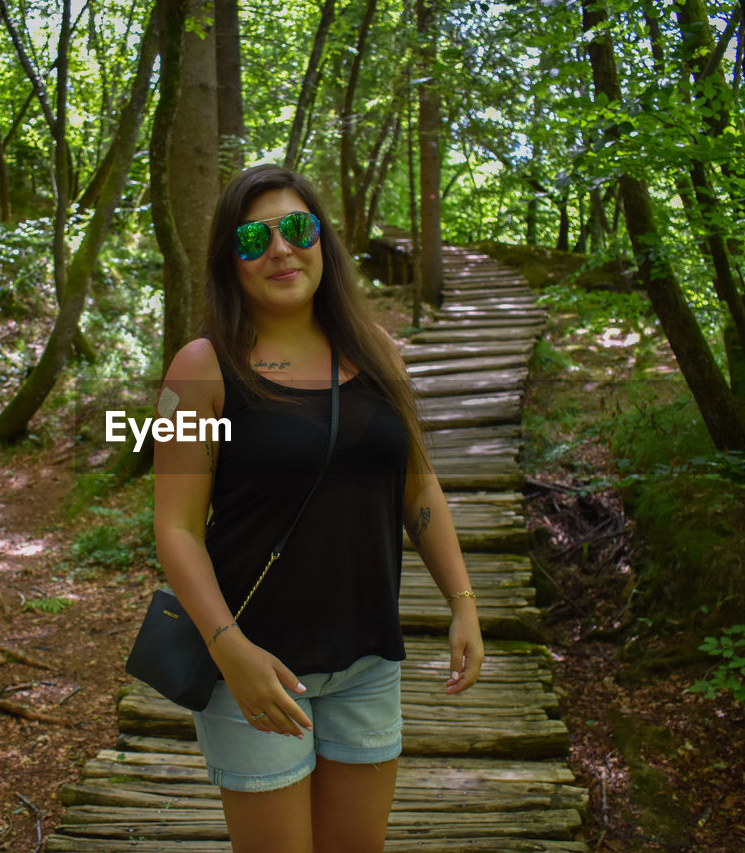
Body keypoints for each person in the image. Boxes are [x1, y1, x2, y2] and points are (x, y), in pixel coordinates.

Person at [153, 164, 483, 853]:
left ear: (323, 244)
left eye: (297, 228)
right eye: (254, 238)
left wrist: (462, 600)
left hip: (367, 661)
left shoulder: (379, 354)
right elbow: (176, 528)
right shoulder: (200, 369)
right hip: (255, 667)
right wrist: (229, 649)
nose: (280, 248)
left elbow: (418, 487)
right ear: (229, 260)